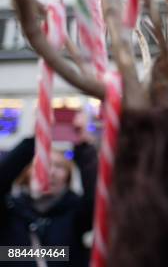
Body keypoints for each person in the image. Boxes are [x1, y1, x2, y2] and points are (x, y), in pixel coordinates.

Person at [0, 111, 98, 267]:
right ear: (26, 173)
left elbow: (97, 198)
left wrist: (83, 148)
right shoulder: (10, 210)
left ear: (67, 177)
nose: (49, 171)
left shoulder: (75, 213)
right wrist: (34, 141)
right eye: (40, 164)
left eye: (58, 166)